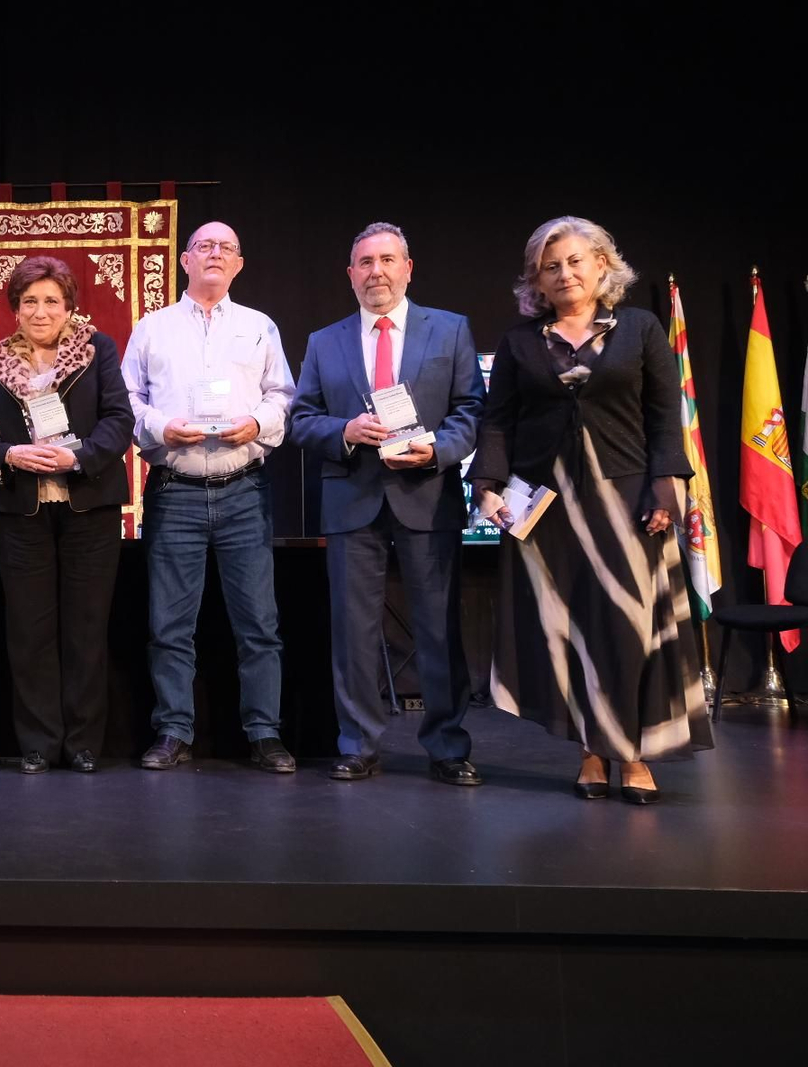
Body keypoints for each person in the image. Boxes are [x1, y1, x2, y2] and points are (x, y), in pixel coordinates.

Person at [469, 216, 712, 803]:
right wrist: (488, 486)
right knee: (570, 629)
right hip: (547, 507)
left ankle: (632, 754)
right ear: (537, 281)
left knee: (627, 627)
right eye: (551, 267)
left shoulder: (641, 328)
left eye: (577, 261)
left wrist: (666, 489)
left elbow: (663, 418)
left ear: (603, 265)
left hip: (626, 498)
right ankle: (590, 752)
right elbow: (497, 421)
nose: (565, 273)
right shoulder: (520, 341)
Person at [289, 222, 485, 785]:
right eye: (365, 262)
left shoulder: (449, 331)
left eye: (387, 260)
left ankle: (448, 746)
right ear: (350, 274)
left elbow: (472, 409)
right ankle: (357, 743)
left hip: (428, 496)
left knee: (439, 629)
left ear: (407, 267)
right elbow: (302, 419)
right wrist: (346, 430)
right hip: (352, 499)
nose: (376, 271)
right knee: (352, 632)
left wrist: (436, 449)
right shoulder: (325, 341)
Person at [121, 221, 297, 772]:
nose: (215, 254)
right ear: (184, 261)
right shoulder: (152, 328)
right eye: (204, 246)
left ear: (239, 264)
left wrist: (257, 422)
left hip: (243, 488)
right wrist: (159, 426)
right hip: (175, 490)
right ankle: (173, 731)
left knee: (258, 623)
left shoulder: (259, 326)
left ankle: (264, 733)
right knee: (170, 625)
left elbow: (284, 397)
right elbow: (127, 400)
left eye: (226, 248)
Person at [0, 257, 134, 773]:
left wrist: (78, 456)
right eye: (29, 302)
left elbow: (119, 419)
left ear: (69, 308)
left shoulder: (97, 350)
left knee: (86, 628)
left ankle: (83, 743)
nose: (41, 311)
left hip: (89, 506)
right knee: (29, 630)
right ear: (15, 309)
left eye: (51, 302)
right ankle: (38, 743)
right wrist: (10, 455)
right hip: (21, 511)